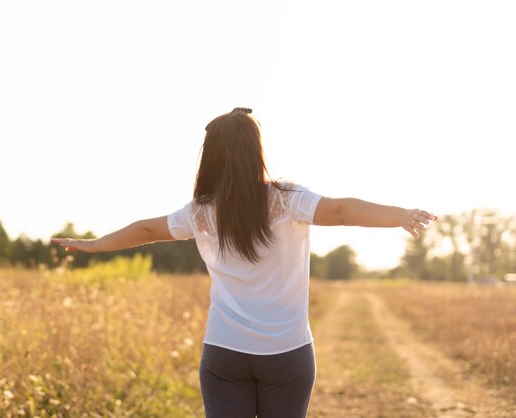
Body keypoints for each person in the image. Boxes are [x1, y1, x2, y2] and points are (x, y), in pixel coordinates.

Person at [51, 107, 437, 418]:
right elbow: (339, 210)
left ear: (212, 157)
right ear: (256, 151)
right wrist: (399, 215)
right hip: (287, 354)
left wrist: (92, 245)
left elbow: (144, 230)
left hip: (224, 353)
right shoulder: (287, 199)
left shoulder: (201, 212)